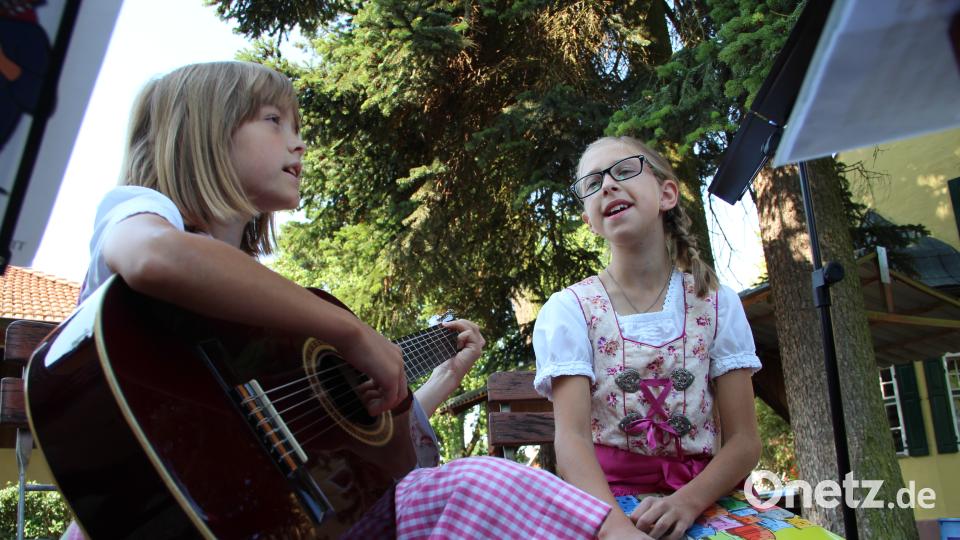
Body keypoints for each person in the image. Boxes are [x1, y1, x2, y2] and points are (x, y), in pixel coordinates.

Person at [63, 61, 612, 539]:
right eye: (274, 121)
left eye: (296, 127)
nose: (299, 142)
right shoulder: (142, 211)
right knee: (478, 484)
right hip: (144, 514)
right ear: (200, 132)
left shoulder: (257, 312)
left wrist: (438, 375)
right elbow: (152, 256)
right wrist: (352, 333)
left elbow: (347, 448)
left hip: (255, 516)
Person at [533, 136, 763, 540]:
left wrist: (688, 502)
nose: (607, 185)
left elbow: (745, 440)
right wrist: (617, 530)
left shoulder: (715, 303)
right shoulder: (570, 310)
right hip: (604, 504)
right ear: (589, 220)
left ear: (667, 194)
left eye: (624, 171)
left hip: (704, 498)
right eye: (592, 183)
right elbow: (571, 442)